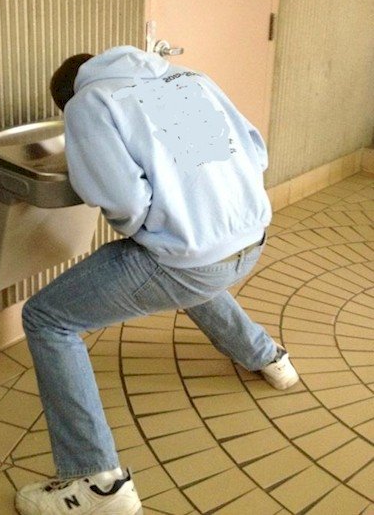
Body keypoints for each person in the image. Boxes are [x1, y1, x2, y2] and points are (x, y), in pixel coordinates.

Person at [15, 46, 299, 515]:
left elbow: (123, 198)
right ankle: (268, 357)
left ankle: (96, 483)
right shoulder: (189, 78)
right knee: (188, 266)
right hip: (252, 240)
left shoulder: (89, 103)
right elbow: (255, 150)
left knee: (47, 318)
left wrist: (147, 224)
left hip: (193, 263)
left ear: (66, 98)